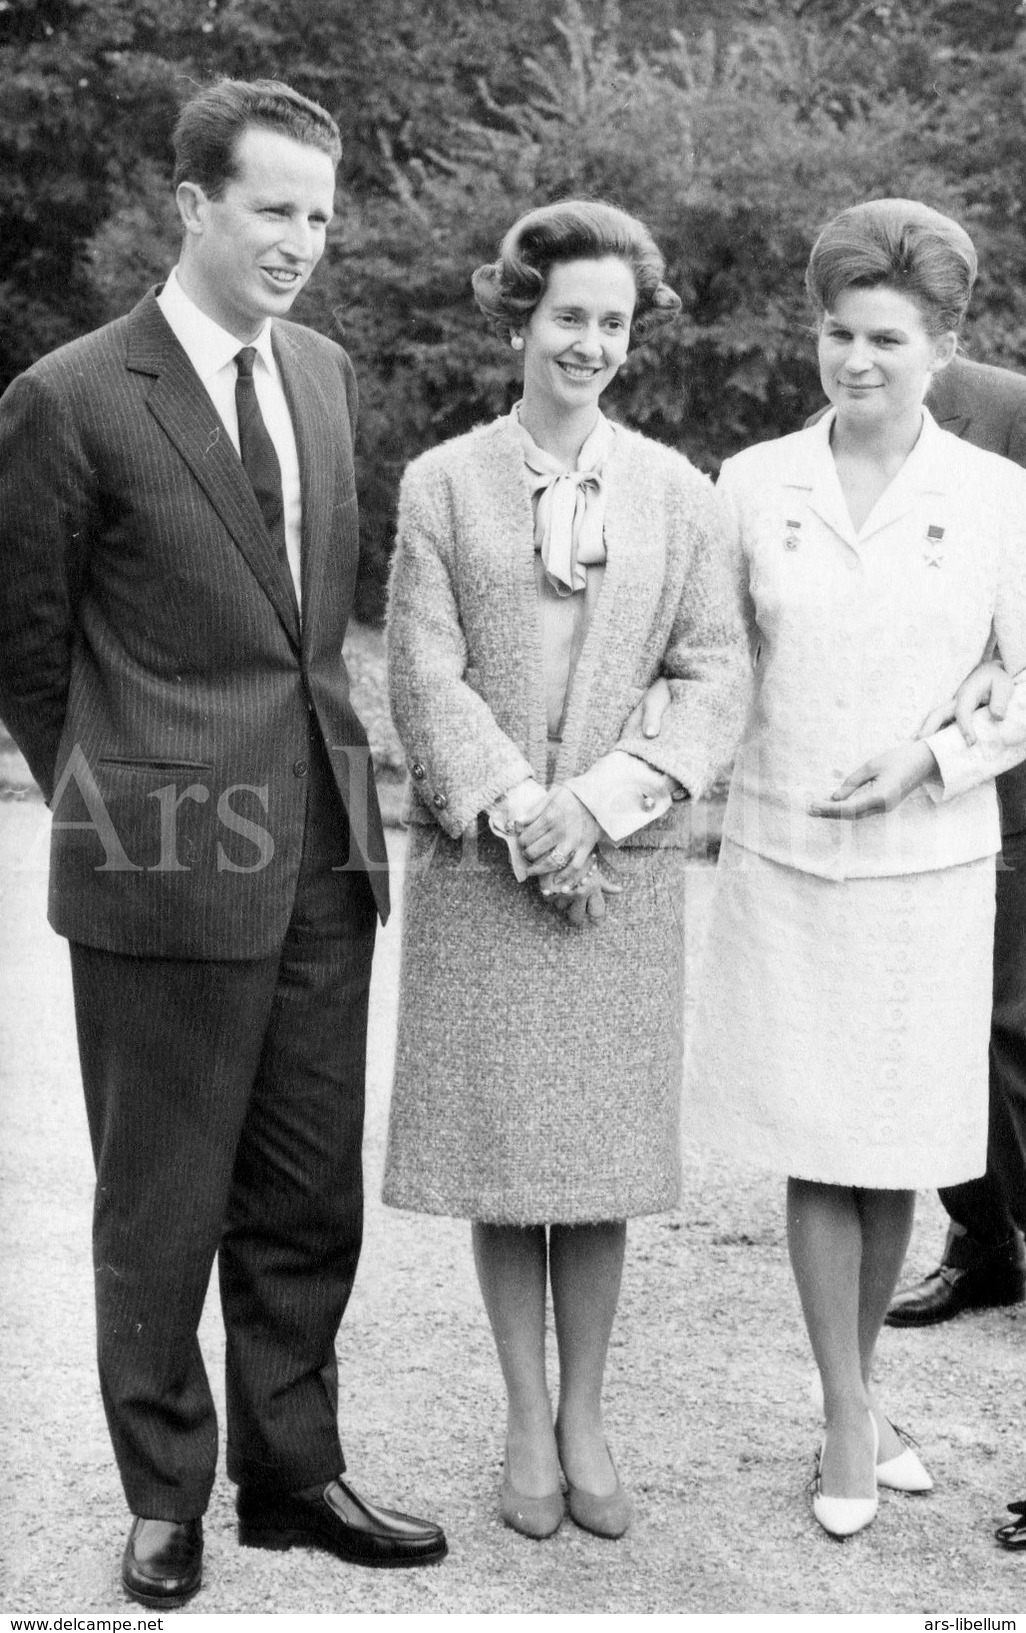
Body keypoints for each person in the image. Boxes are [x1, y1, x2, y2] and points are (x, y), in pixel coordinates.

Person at [0, 78, 446, 1609]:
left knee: (306, 1190)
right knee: (160, 1197)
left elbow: (310, 624)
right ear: (191, 206)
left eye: (320, 215)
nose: (301, 243)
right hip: (157, 854)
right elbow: (28, 645)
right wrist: (129, 794)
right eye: (273, 209)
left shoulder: (321, 372)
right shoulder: (71, 394)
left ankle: (294, 1471)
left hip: (325, 843)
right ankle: (164, 1495)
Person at [381, 200, 749, 1541]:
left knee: (591, 1164)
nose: (590, 341)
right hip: (488, 866)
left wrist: (597, 805)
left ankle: (586, 1414)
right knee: (507, 1158)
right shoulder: (439, 483)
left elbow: (714, 676)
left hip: (622, 870)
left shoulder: (679, 493)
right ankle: (520, 1415)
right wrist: (522, 809)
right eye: (568, 316)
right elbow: (422, 671)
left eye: (613, 322)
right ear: (521, 315)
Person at [682, 198, 1026, 1538]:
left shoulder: (999, 496)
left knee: (887, 1153)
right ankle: (842, 1408)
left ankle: (862, 1388)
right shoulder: (750, 479)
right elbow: (712, 660)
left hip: (928, 864)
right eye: (834, 333)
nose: (855, 361)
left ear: (941, 345)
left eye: (884, 337)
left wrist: (932, 758)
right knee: (813, 1149)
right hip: (779, 854)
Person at [882, 357, 1026, 1328]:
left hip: (1003, 763)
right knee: (930, 1023)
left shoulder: (1008, 412)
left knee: (1006, 1023)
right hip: (885, 777)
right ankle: (979, 1241)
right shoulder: (836, 419)